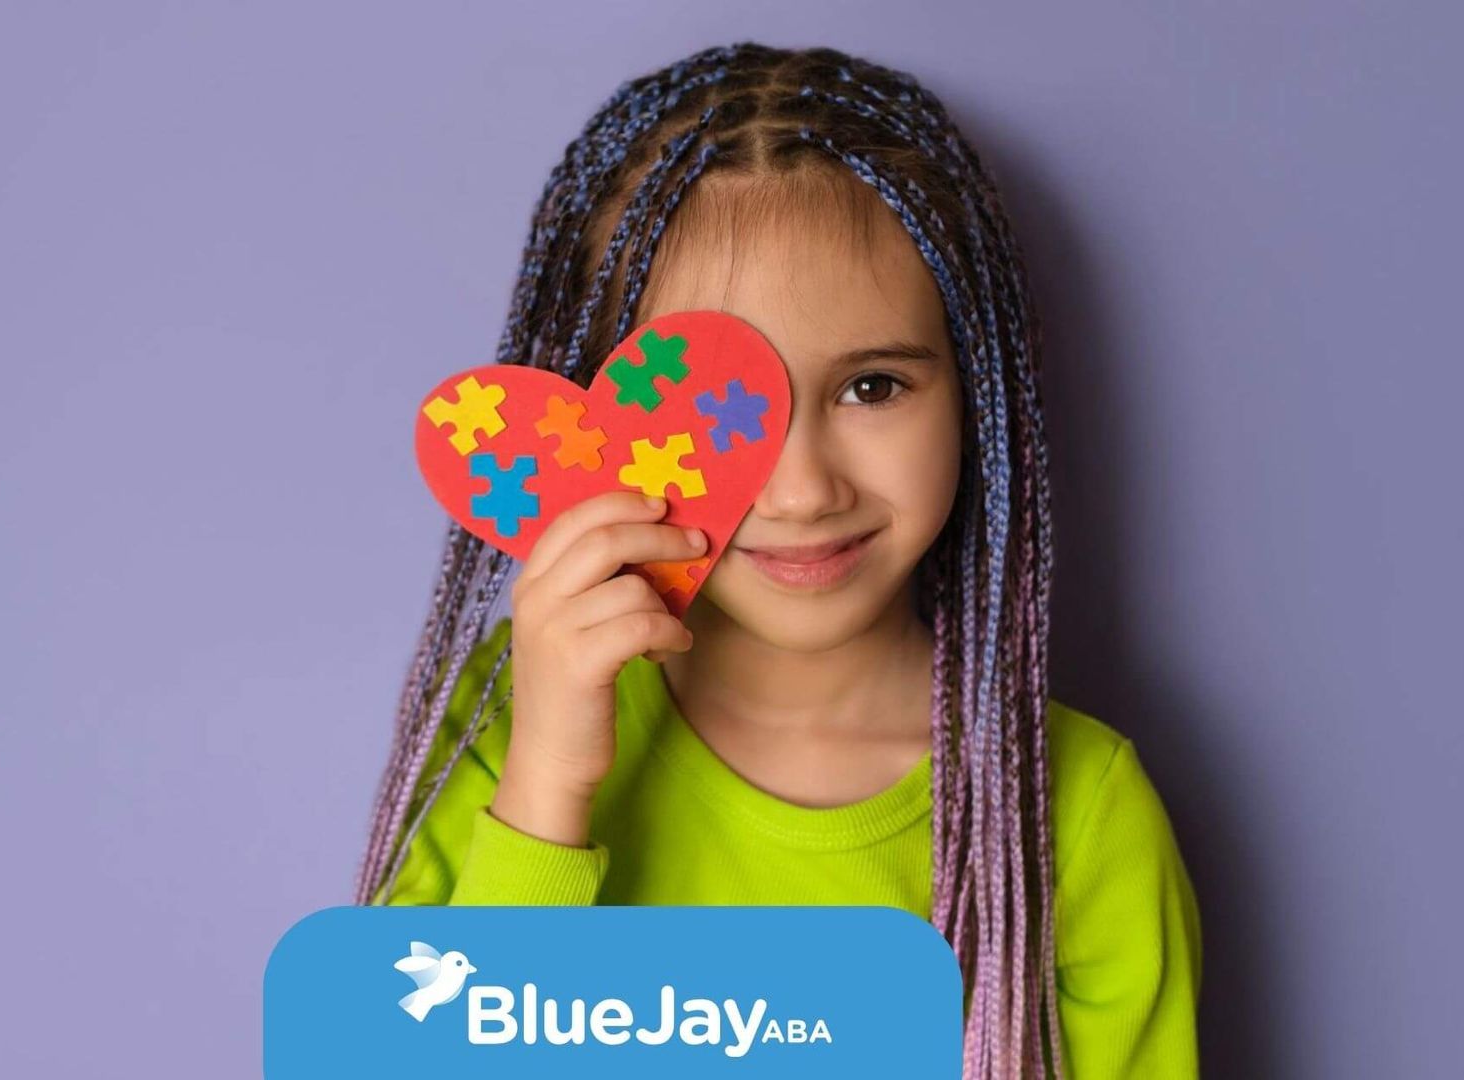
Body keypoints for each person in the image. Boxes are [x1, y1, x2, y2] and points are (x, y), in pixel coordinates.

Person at [355, 42, 1201, 1079]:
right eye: (710, 414)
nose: (801, 490)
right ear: (592, 418)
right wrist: (548, 788)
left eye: (873, 388)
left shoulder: (1076, 811)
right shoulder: (506, 726)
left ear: (974, 395)